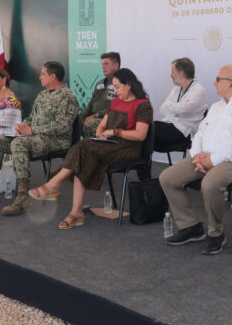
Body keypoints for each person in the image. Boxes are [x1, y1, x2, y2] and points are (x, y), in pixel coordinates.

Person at [160, 64, 232, 255]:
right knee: (168, 178)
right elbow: (200, 135)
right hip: (204, 159)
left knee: (210, 183)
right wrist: (197, 157)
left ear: (230, 84)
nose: (214, 82)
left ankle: (215, 233)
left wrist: (213, 160)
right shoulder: (216, 107)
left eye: (218, 79)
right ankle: (190, 226)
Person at [28, 68, 153, 229]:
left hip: (128, 148)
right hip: (109, 145)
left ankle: (55, 187)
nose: (115, 91)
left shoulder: (143, 105)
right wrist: (101, 135)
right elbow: (101, 126)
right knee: (84, 153)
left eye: (117, 87)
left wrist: (115, 132)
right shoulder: (116, 102)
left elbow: (140, 135)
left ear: (128, 85)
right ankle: (75, 212)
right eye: (113, 87)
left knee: (83, 147)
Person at [0, 61, 80, 216]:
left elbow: (63, 126)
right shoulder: (42, 94)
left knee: (20, 143)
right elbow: (31, 118)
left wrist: (32, 130)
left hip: (55, 141)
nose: (39, 77)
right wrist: (21, 126)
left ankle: (23, 196)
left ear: (53, 76)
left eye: (43, 74)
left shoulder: (68, 97)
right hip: (34, 137)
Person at [154, 57, 208, 151]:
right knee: (147, 137)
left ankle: (141, 164)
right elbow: (162, 110)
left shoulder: (199, 90)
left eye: (173, 72)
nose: (171, 75)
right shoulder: (176, 89)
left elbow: (184, 110)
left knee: (150, 128)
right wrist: (173, 107)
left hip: (185, 133)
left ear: (181, 73)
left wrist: (168, 104)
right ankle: (142, 163)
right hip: (171, 126)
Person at [79, 51, 120, 138]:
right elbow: (90, 105)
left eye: (106, 64)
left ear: (116, 65)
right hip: (94, 118)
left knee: (90, 124)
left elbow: (117, 108)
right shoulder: (100, 84)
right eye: (102, 64)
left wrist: (96, 115)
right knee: (75, 122)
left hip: (108, 120)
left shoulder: (121, 83)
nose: (103, 67)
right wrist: (81, 117)